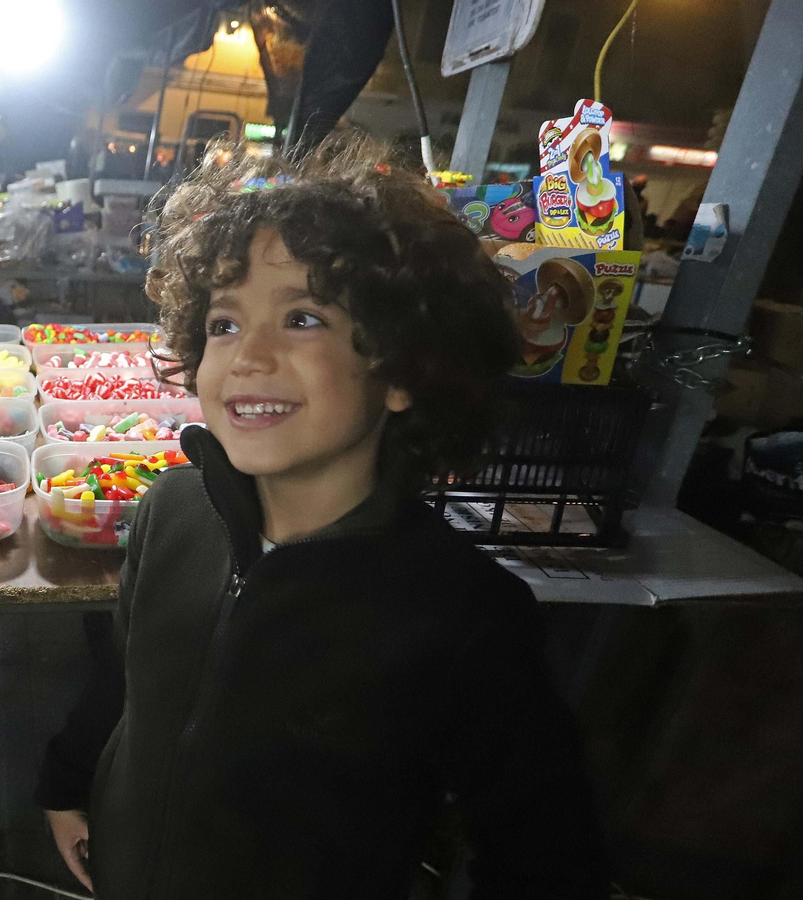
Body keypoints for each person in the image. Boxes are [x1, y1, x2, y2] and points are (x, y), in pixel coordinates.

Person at [37, 139, 610, 899]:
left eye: (303, 318)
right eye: (223, 323)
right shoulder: (173, 510)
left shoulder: (462, 613)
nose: (249, 356)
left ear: (402, 370)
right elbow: (126, 677)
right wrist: (70, 782)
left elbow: (543, 852)